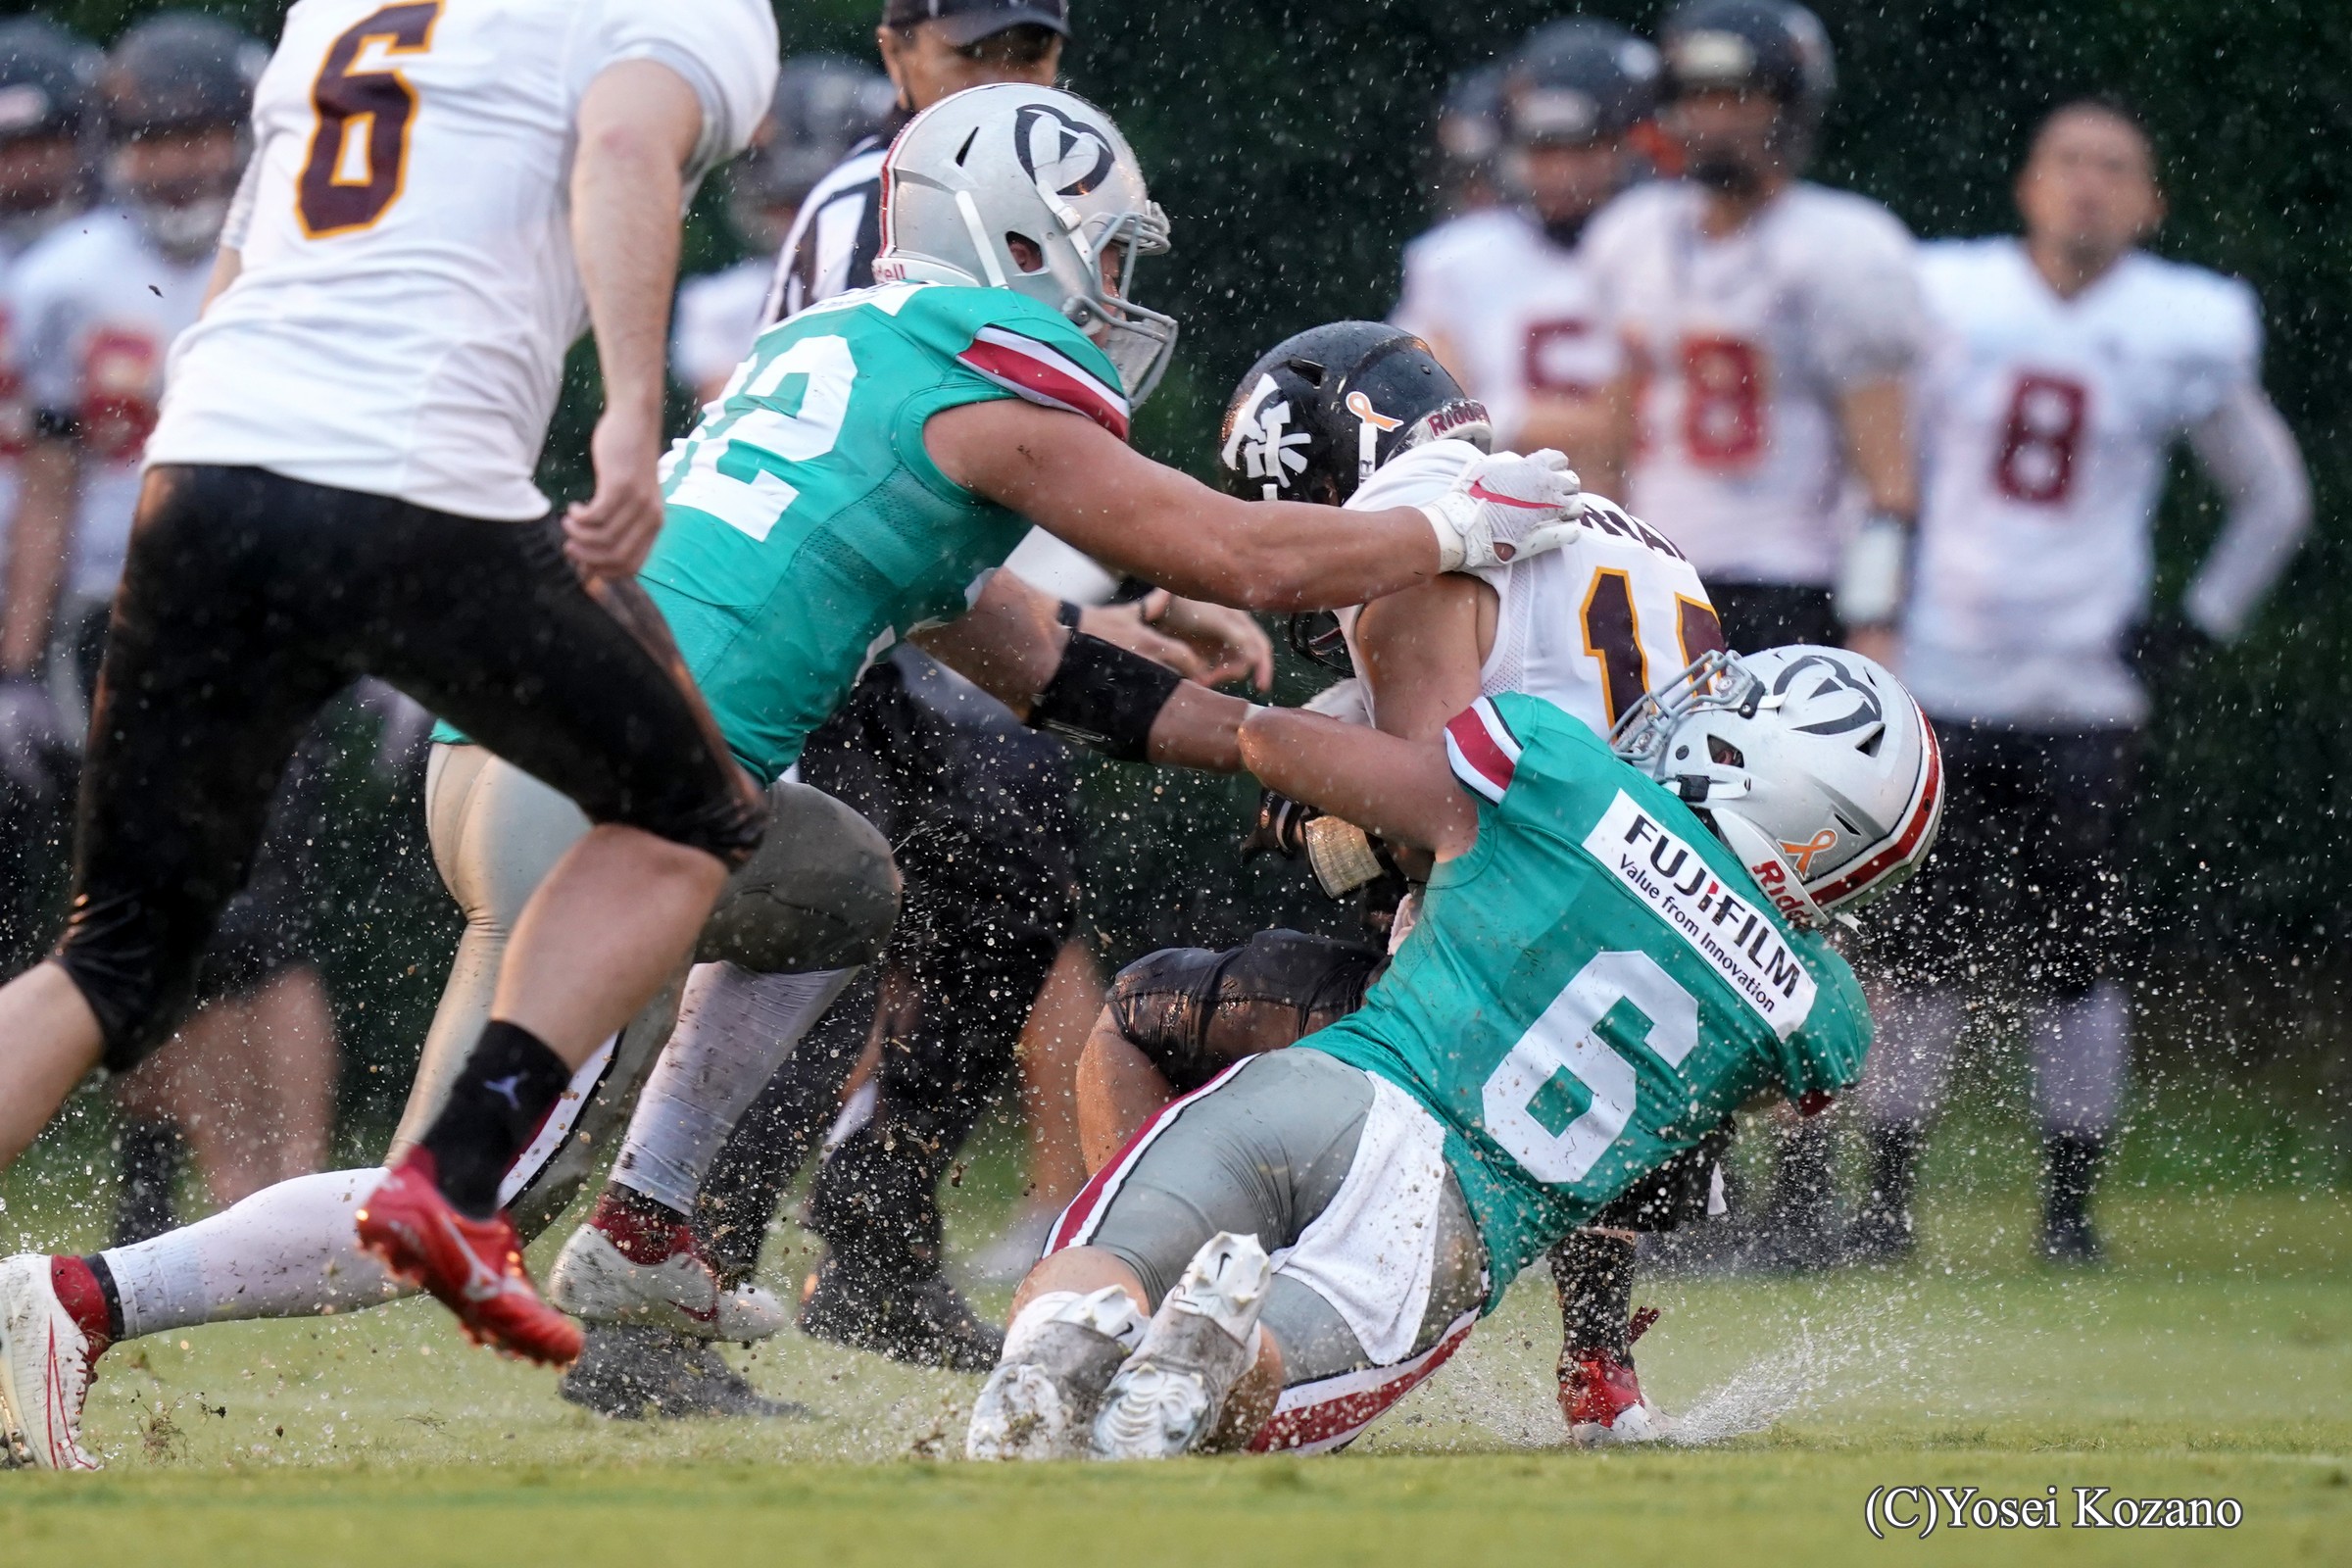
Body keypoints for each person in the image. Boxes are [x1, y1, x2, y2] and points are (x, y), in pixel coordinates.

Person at [0, 81, 1590, 1468]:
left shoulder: (850, 358)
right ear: (1021, 241)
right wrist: (1455, 514)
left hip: (575, 762)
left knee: (839, 879)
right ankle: (77, 1298)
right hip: (593, 800)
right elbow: (1242, 546)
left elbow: (1037, 664)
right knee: (442, 1202)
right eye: (1102, 254)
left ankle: (649, 1223)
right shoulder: (985, 386)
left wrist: (1245, 736)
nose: (1113, 291)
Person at [0, 0, 789, 1446]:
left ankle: (447, 1180)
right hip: (406, 479)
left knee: (114, 953)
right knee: (689, 822)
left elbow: (243, 259)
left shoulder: (336, 10)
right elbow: (620, 142)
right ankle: (459, 1171)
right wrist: (625, 415)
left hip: (207, 471)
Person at [609, 0, 1271, 1405]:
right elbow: (938, 459)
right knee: (821, 923)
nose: (1014, 82)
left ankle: (874, 1224)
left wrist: (1113, 613)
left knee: (1011, 855)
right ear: (901, 49)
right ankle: (674, 1273)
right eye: (978, 56)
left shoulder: (995, 184)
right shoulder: (906, 202)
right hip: (834, 621)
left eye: (1033, 51)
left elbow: (972, 479)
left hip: (907, 605)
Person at [966, 642, 1942, 1460]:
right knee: (1264, 1388)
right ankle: (1223, 1346)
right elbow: (1764, 1073)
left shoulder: (1558, 766)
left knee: (1108, 1253)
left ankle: (1061, 1345)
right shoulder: (1816, 1008)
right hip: (1448, 1222)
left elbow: (1305, 759)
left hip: (1327, 1086)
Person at [1083, 321, 1730, 1445]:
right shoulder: (1630, 532)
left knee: (1140, 1012)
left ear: (1328, 468)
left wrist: (1312, 817)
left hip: (1498, 1035)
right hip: (1671, 1050)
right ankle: (1599, 1369)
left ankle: (1133, 1306)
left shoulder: (1420, 537)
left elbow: (1445, 817)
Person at [1851, 99, 2310, 1265]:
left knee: (2077, 958)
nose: (2089, 188)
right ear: (2028, 185)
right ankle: (1885, 1198)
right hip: (1941, 670)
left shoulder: (2181, 322)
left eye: (2116, 169)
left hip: (2082, 693)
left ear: (2151, 201)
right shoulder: (1946, 295)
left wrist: (2194, 627)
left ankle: (2067, 1210)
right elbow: (1876, 457)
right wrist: (1876, 610)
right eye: (2069, 164)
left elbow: (2275, 496)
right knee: (1916, 951)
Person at [1580, 0, 1926, 1261]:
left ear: (1789, 105)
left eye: (1737, 94)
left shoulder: (1846, 249)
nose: (1710, 117)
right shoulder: (1630, 239)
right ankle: (1675, 1177)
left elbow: (1890, 472)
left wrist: (1876, 633)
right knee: (1654, 886)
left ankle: (1809, 1174)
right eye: (1695, 93)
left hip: (1794, 606)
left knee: (1803, 899)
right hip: (1670, 594)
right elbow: (1612, 432)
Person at [0, 14, 347, 1252]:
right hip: (115, 618)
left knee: (268, 908)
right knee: (143, 909)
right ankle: (224, 1188)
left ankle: (285, 1185)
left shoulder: (308, 253)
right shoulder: (59, 282)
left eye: (203, 136)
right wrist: (20, 661)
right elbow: (46, 480)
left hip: (271, 610)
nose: (179, 164)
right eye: (155, 140)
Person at [1394, 20, 1661, 471]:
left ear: (1628, 143)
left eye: (1581, 147)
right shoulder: (1456, 258)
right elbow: (1425, 417)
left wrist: (1503, 415)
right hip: (1508, 519)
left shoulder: (1668, 241)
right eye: (1542, 148)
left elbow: (1649, 424)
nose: (1560, 172)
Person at [0, 18, 99, 967]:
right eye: (6, 150)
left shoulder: (98, 269)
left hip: (76, 601)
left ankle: (145, 1121)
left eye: (43, 143)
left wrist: (21, 663)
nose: (24, 170)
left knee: (101, 881)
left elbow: (61, 476)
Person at [670, 56, 895, 408]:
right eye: (789, 207)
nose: (797, 223)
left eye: (801, 204)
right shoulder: (725, 303)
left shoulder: (916, 283)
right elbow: (736, 422)